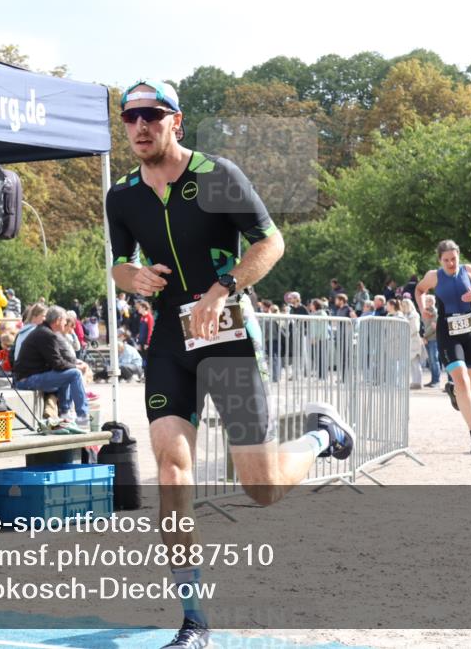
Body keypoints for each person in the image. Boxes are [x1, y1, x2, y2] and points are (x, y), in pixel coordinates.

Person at [106, 79, 356, 649]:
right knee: (171, 468)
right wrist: (132, 278)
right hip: (170, 343)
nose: (140, 126)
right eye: (130, 118)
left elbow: (271, 243)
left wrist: (223, 287)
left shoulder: (217, 176)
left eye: (152, 115)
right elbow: (119, 264)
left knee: (261, 486)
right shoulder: (122, 196)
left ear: (177, 121)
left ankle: (323, 436)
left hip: (229, 338)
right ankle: (195, 620)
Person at [415, 239, 471, 453]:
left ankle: (454, 390)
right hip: (447, 333)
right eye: (446, 260)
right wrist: (422, 308)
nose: (451, 264)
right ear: (439, 260)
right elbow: (419, 290)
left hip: (470, 331)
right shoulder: (434, 276)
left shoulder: (468, 271)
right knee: (461, 378)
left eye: (454, 259)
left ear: (459, 256)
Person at [13, 306, 90, 428]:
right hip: (26, 380)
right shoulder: (46, 335)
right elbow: (58, 364)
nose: (65, 324)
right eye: (65, 321)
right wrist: (77, 367)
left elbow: (59, 361)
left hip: (26, 377)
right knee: (74, 373)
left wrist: (73, 365)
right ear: (58, 320)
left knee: (69, 372)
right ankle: (82, 418)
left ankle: (65, 414)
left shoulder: (43, 331)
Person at [399, 297, 424, 389]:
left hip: (414, 339)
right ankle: (414, 381)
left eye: (404, 305)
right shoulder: (406, 315)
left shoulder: (414, 315)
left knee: (415, 362)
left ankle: (418, 382)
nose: (403, 307)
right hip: (409, 339)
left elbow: (415, 328)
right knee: (412, 362)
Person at [421, 294, 441, 388]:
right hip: (427, 339)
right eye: (426, 300)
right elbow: (423, 326)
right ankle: (433, 380)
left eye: (429, 300)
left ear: (433, 301)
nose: (427, 302)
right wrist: (423, 336)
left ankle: (436, 381)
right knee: (430, 361)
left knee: (434, 360)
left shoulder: (435, 312)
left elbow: (433, 327)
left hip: (433, 339)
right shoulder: (425, 312)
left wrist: (424, 335)